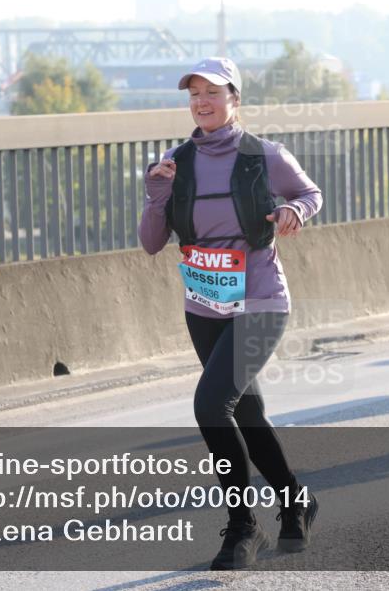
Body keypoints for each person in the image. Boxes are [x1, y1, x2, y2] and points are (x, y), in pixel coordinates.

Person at [138, 57, 322, 570]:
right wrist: (156, 196)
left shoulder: (265, 155)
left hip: (261, 300)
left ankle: (244, 526)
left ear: (234, 99)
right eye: (193, 93)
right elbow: (153, 243)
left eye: (212, 92)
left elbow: (310, 193)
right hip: (205, 306)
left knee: (210, 406)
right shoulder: (174, 163)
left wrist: (294, 210)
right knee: (246, 412)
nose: (202, 102)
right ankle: (296, 500)